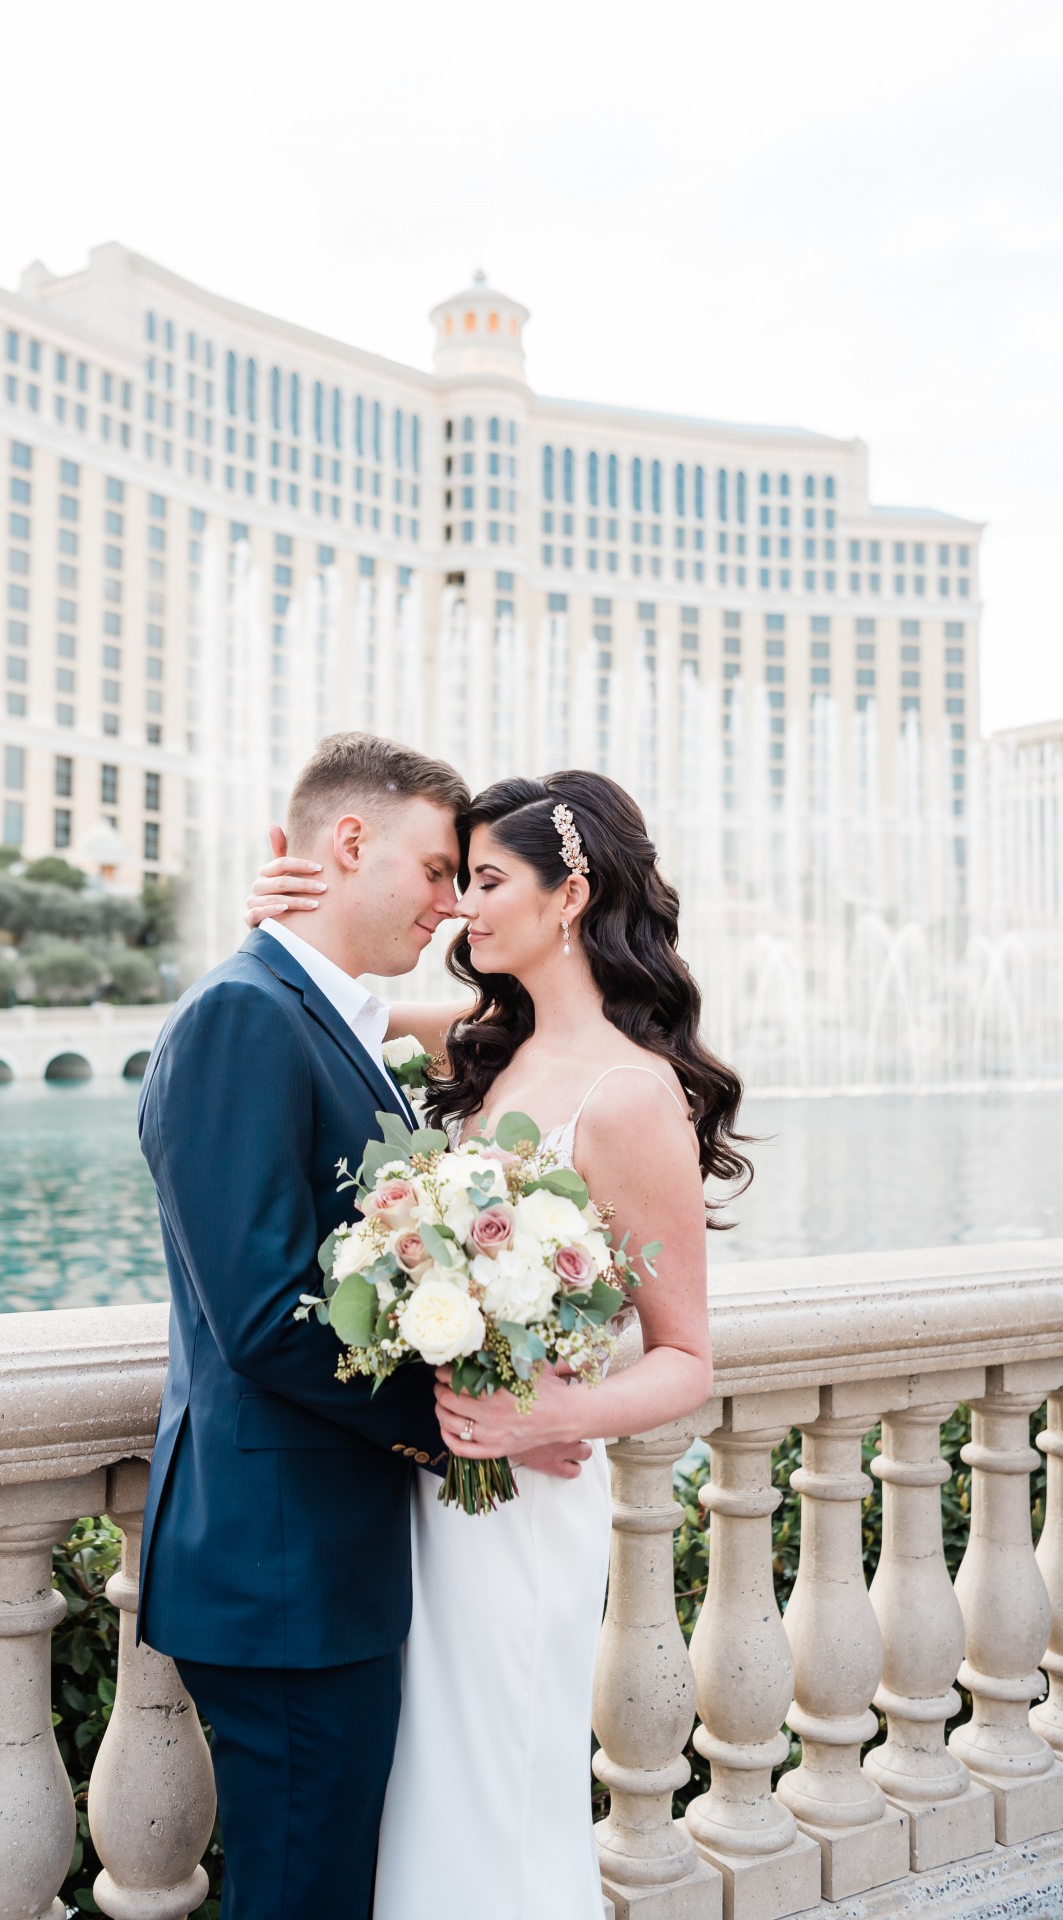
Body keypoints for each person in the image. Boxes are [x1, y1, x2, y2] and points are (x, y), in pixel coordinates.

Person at [246, 767, 749, 1918]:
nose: (461, 908)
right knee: (428, 1784)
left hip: (529, 1485)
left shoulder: (632, 1095)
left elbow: (687, 1356)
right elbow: (308, 1005)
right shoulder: (483, 1038)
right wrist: (277, 909)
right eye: (455, 879)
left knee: (503, 1780)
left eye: (485, 880)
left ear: (569, 895)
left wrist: (552, 1415)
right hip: (434, 1482)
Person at [136, 733, 582, 1920]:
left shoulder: (325, 1016)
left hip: (320, 1567)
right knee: (303, 1897)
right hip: (280, 1573)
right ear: (346, 844)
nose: (448, 906)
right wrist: (472, 1426)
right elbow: (266, 1318)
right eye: (438, 872)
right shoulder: (243, 1017)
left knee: (325, 1885)